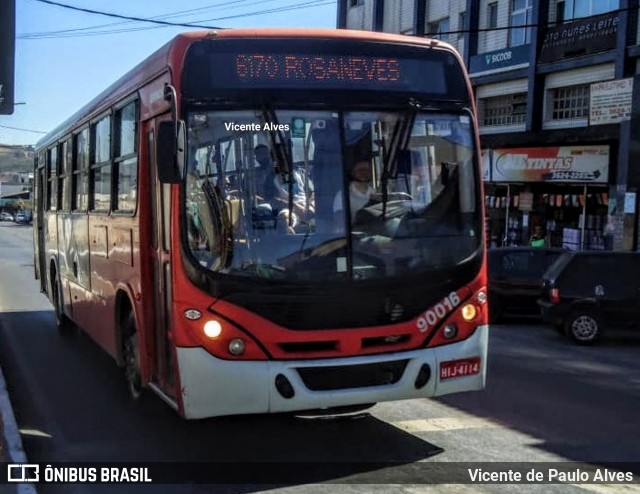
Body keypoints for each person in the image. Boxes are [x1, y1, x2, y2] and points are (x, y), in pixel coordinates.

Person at [333, 158, 374, 225]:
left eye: (367, 171)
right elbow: (340, 225)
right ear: (353, 172)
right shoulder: (343, 196)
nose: (364, 173)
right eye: (361, 170)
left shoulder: (375, 194)